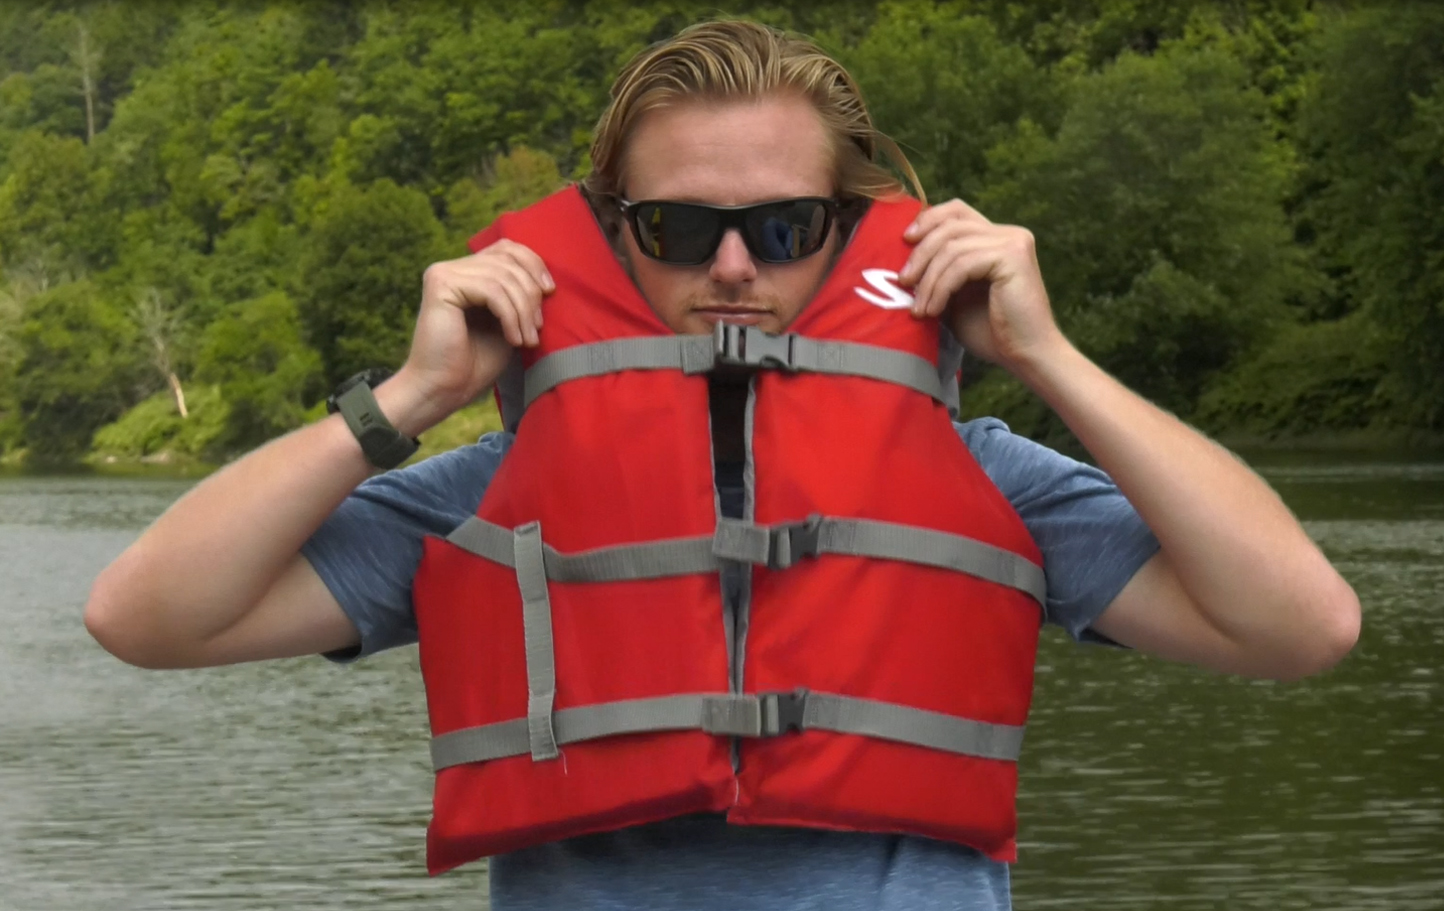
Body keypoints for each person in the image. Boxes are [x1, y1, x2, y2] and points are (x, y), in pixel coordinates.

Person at [84, 19, 1360, 911]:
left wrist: (1051, 358)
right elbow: (142, 617)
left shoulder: (987, 479)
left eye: (785, 226)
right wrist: (411, 399)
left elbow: (1300, 626)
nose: (734, 267)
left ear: (852, 229)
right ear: (614, 236)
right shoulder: (486, 493)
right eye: (681, 226)